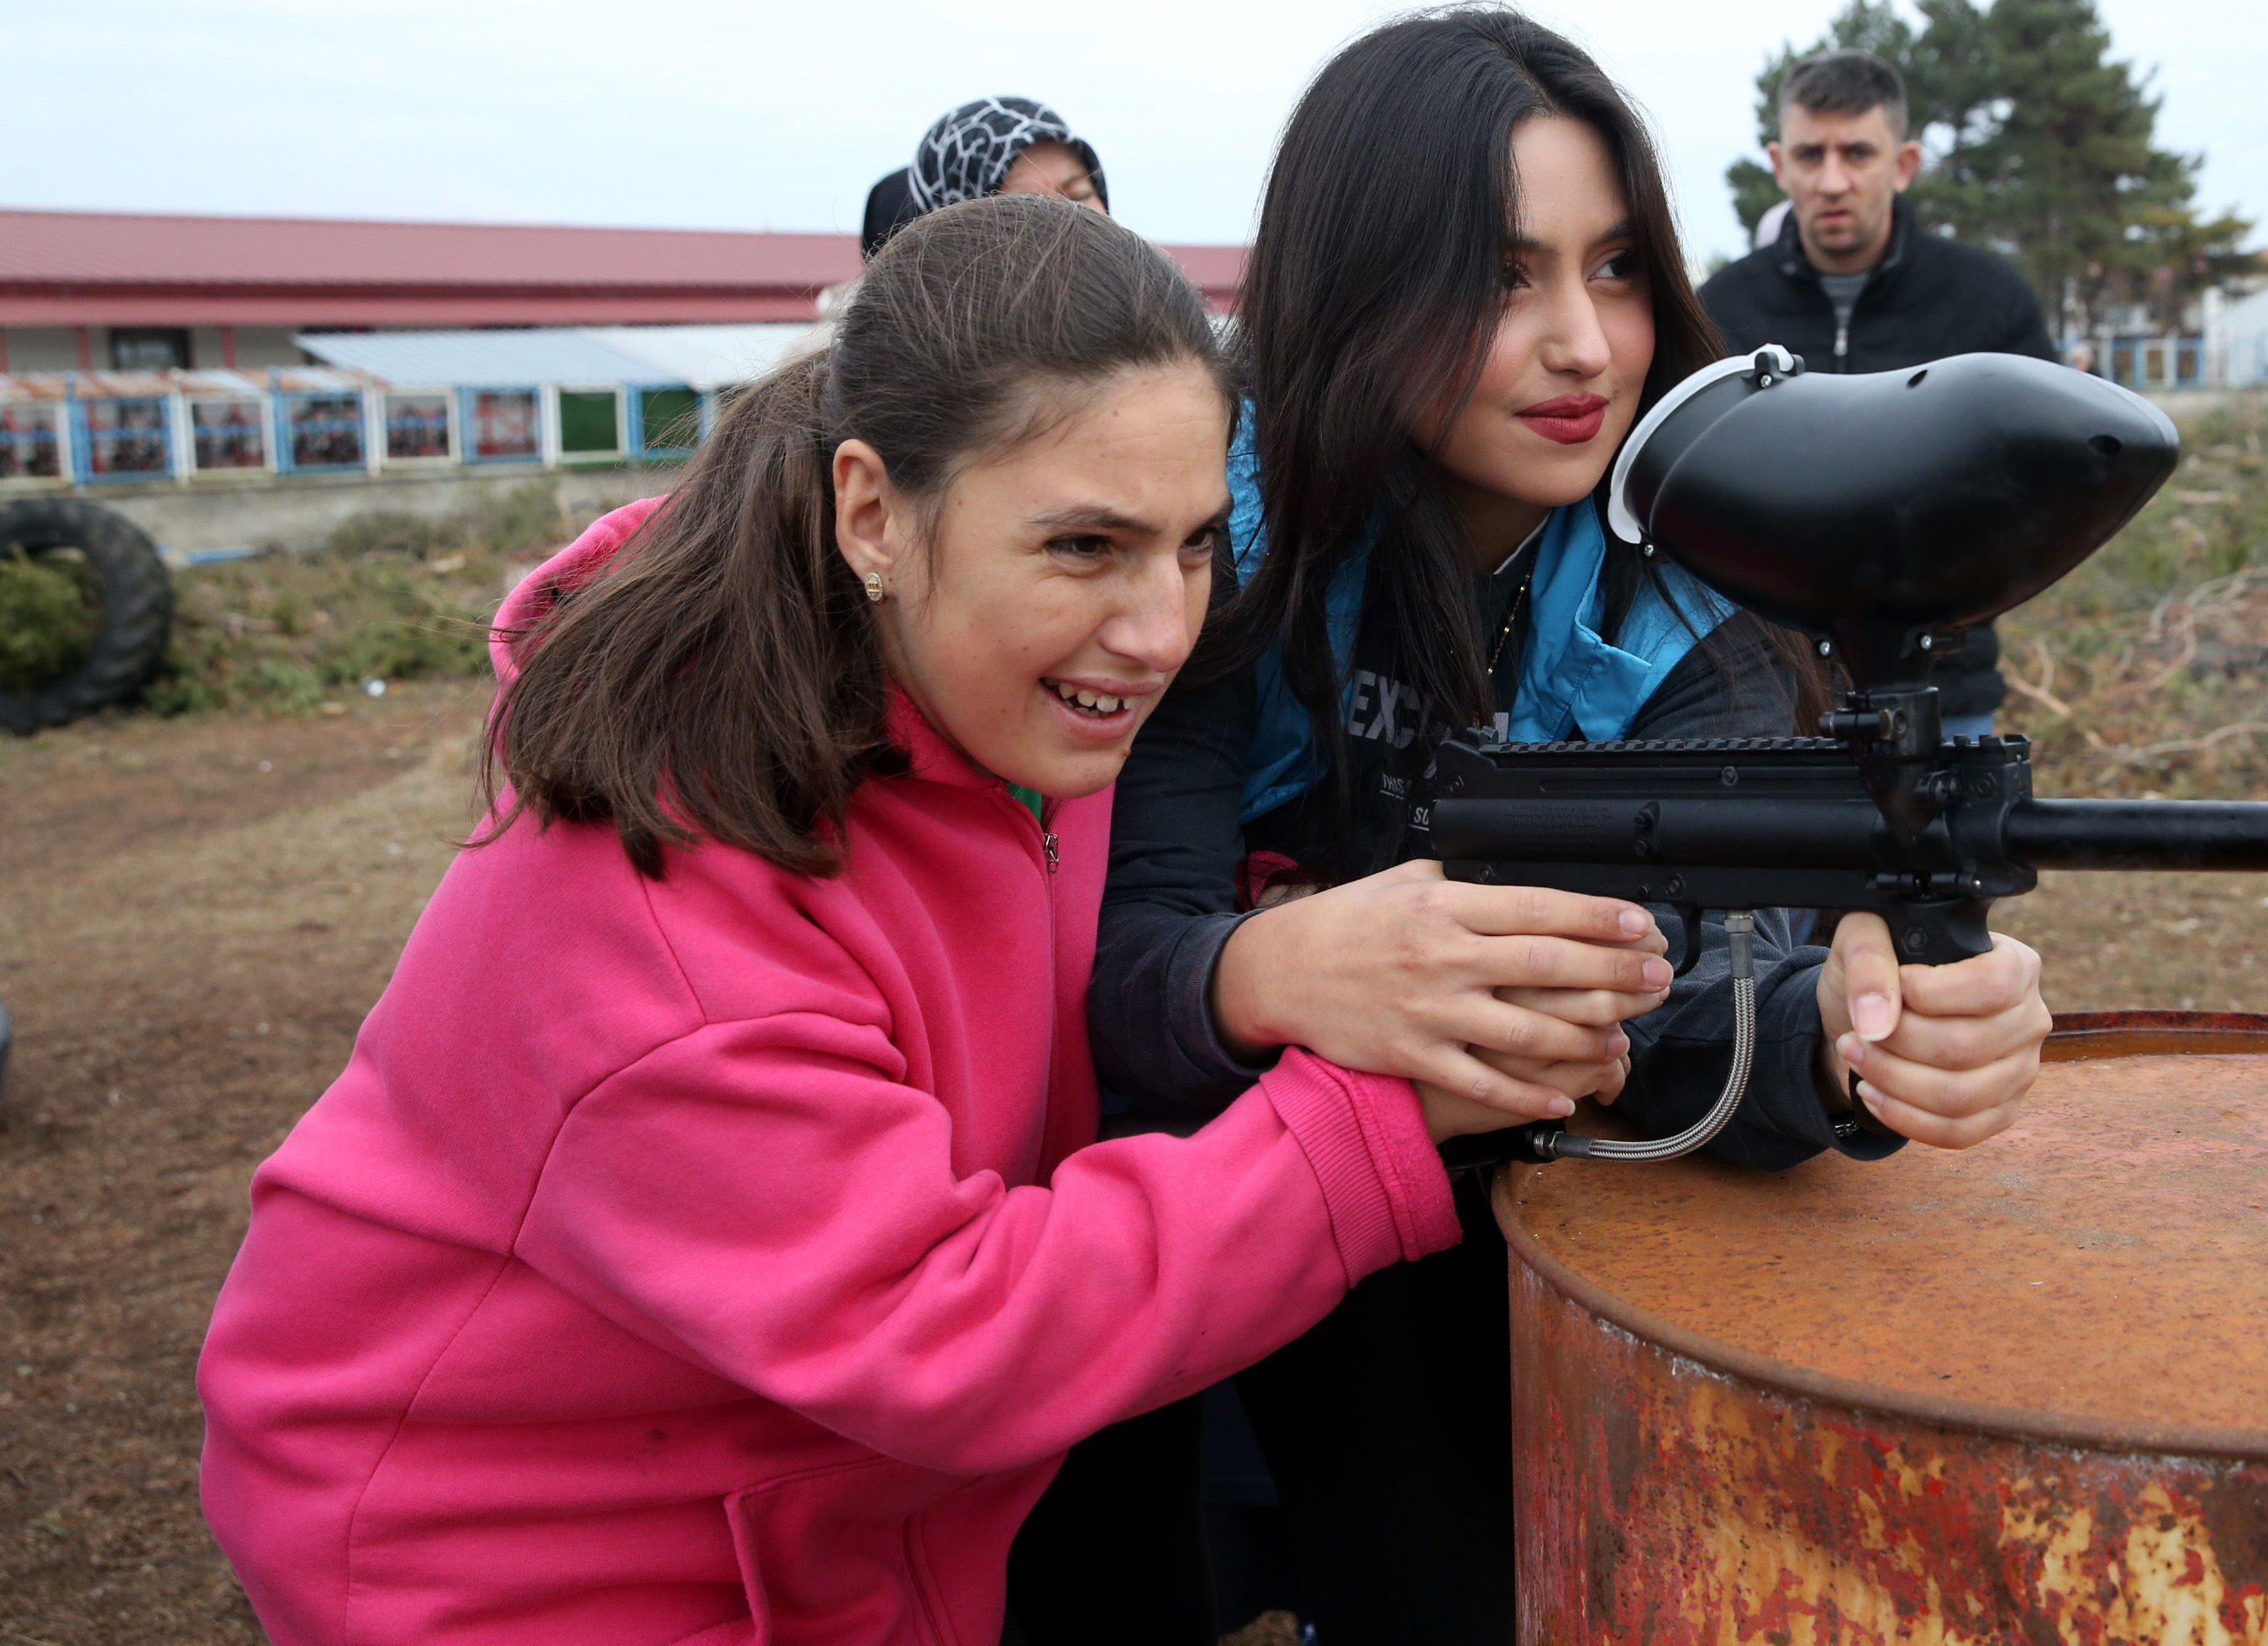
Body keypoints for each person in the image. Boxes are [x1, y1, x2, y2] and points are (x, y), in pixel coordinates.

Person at [194, 197, 1583, 1646]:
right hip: (516, 1553)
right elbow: (938, 1325)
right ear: (871, 509)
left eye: (1186, 544)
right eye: (1085, 545)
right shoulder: (664, 897)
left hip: (808, 1499)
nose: (1163, 629)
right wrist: (1370, 1116)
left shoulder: (994, 702)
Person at [1091, 8, 2052, 1643]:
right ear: (1359, 283)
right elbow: (1110, 973)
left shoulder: (1693, 612)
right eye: (1500, 277)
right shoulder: (1207, 561)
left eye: (1613, 270)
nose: (1585, 346)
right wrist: (1268, 970)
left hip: (1534, 1318)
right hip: (1164, 1304)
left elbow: (1691, 1016)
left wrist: (1844, 1039)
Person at [1698, 50, 2060, 736]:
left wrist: (1961, 598)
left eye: (1858, 153)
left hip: (1945, 698)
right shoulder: (1718, 310)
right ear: (1779, 164)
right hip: (1762, 701)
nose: (1832, 180)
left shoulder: (1988, 303)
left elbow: (2045, 488)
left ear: (1903, 163)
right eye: (1810, 155)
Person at [862, 95, 1110, 257]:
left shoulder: (1140, 318)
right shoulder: (905, 337)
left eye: (1079, 196)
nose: (1067, 221)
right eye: (1026, 209)